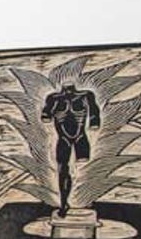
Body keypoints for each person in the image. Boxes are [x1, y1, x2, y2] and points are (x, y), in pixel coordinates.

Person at [41, 84, 100, 216]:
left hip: (81, 138)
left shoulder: (86, 95)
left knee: (83, 167)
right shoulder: (53, 98)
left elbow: (94, 112)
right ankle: (63, 203)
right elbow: (46, 115)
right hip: (63, 139)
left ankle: (82, 199)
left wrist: (94, 121)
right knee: (63, 169)